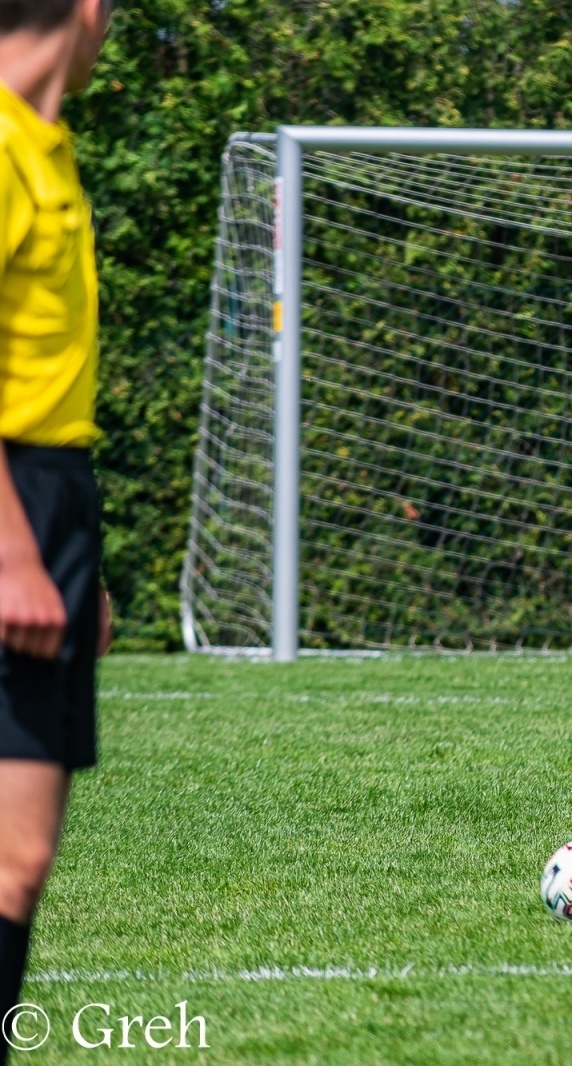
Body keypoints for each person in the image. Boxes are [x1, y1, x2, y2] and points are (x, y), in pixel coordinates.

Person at [0, 0, 112, 1052]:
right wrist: (14, 551)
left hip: (51, 499)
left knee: (19, 859)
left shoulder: (46, 143)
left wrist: (81, 567)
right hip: (14, 508)